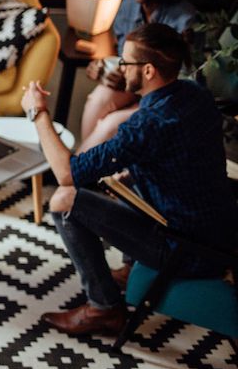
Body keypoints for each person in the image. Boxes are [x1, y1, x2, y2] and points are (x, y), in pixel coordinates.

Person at [21, 23, 237, 335]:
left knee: (63, 200)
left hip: (186, 250)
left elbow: (67, 174)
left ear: (148, 71)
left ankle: (103, 307)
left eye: (126, 61)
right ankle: (129, 268)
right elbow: (180, 159)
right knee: (126, 179)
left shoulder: (151, 125)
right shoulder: (195, 94)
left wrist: (39, 113)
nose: (121, 67)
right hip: (220, 231)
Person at [78, 0, 197, 153]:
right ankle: (89, 172)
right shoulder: (127, 6)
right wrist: (103, 66)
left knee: (110, 125)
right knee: (97, 100)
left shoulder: (184, 19)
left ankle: (78, 171)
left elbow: (186, 78)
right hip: (135, 86)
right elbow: (120, 55)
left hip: (165, 96)